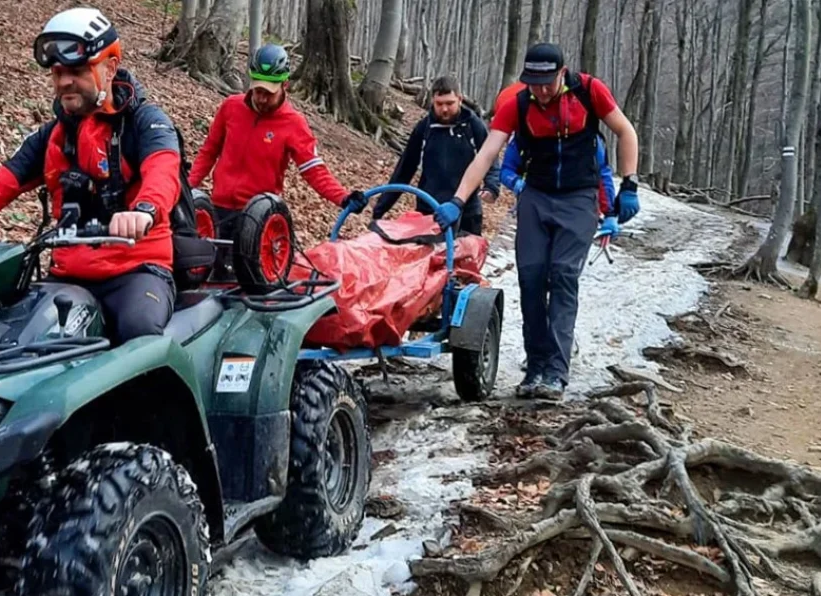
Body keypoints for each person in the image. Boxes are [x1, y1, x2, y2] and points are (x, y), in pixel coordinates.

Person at [0, 8, 183, 344]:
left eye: (77, 71)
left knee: (138, 334)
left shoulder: (144, 122)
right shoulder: (55, 136)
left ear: (110, 68)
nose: (64, 81)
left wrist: (144, 212)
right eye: (57, 73)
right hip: (67, 276)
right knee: (11, 339)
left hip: (137, 272)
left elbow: (163, 170)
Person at [434, 43, 641, 400]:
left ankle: (556, 372)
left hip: (579, 198)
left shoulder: (589, 91)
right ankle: (536, 367)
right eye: (534, 83)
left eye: (547, 82)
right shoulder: (518, 104)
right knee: (531, 277)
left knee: (562, 275)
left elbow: (626, 132)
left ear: (563, 73)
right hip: (536, 197)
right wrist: (458, 199)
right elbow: (487, 154)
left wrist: (629, 184)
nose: (541, 90)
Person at [187, 43, 367, 242]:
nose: (262, 99)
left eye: (269, 93)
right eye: (258, 90)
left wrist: (344, 198)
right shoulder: (231, 107)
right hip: (218, 209)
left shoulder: (293, 123)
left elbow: (314, 170)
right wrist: (185, 189)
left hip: (258, 217)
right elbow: (208, 152)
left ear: (284, 85)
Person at [372, 75, 500, 236]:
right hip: (429, 211)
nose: (444, 109)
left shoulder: (473, 126)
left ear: (460, 99)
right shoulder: (424, 128)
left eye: (449, 103)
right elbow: (404, 170)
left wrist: (491, 186)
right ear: (433, 100)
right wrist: (380, 210)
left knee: (464, 259)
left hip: (467, 212)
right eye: (439, 104)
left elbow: (489, 158)